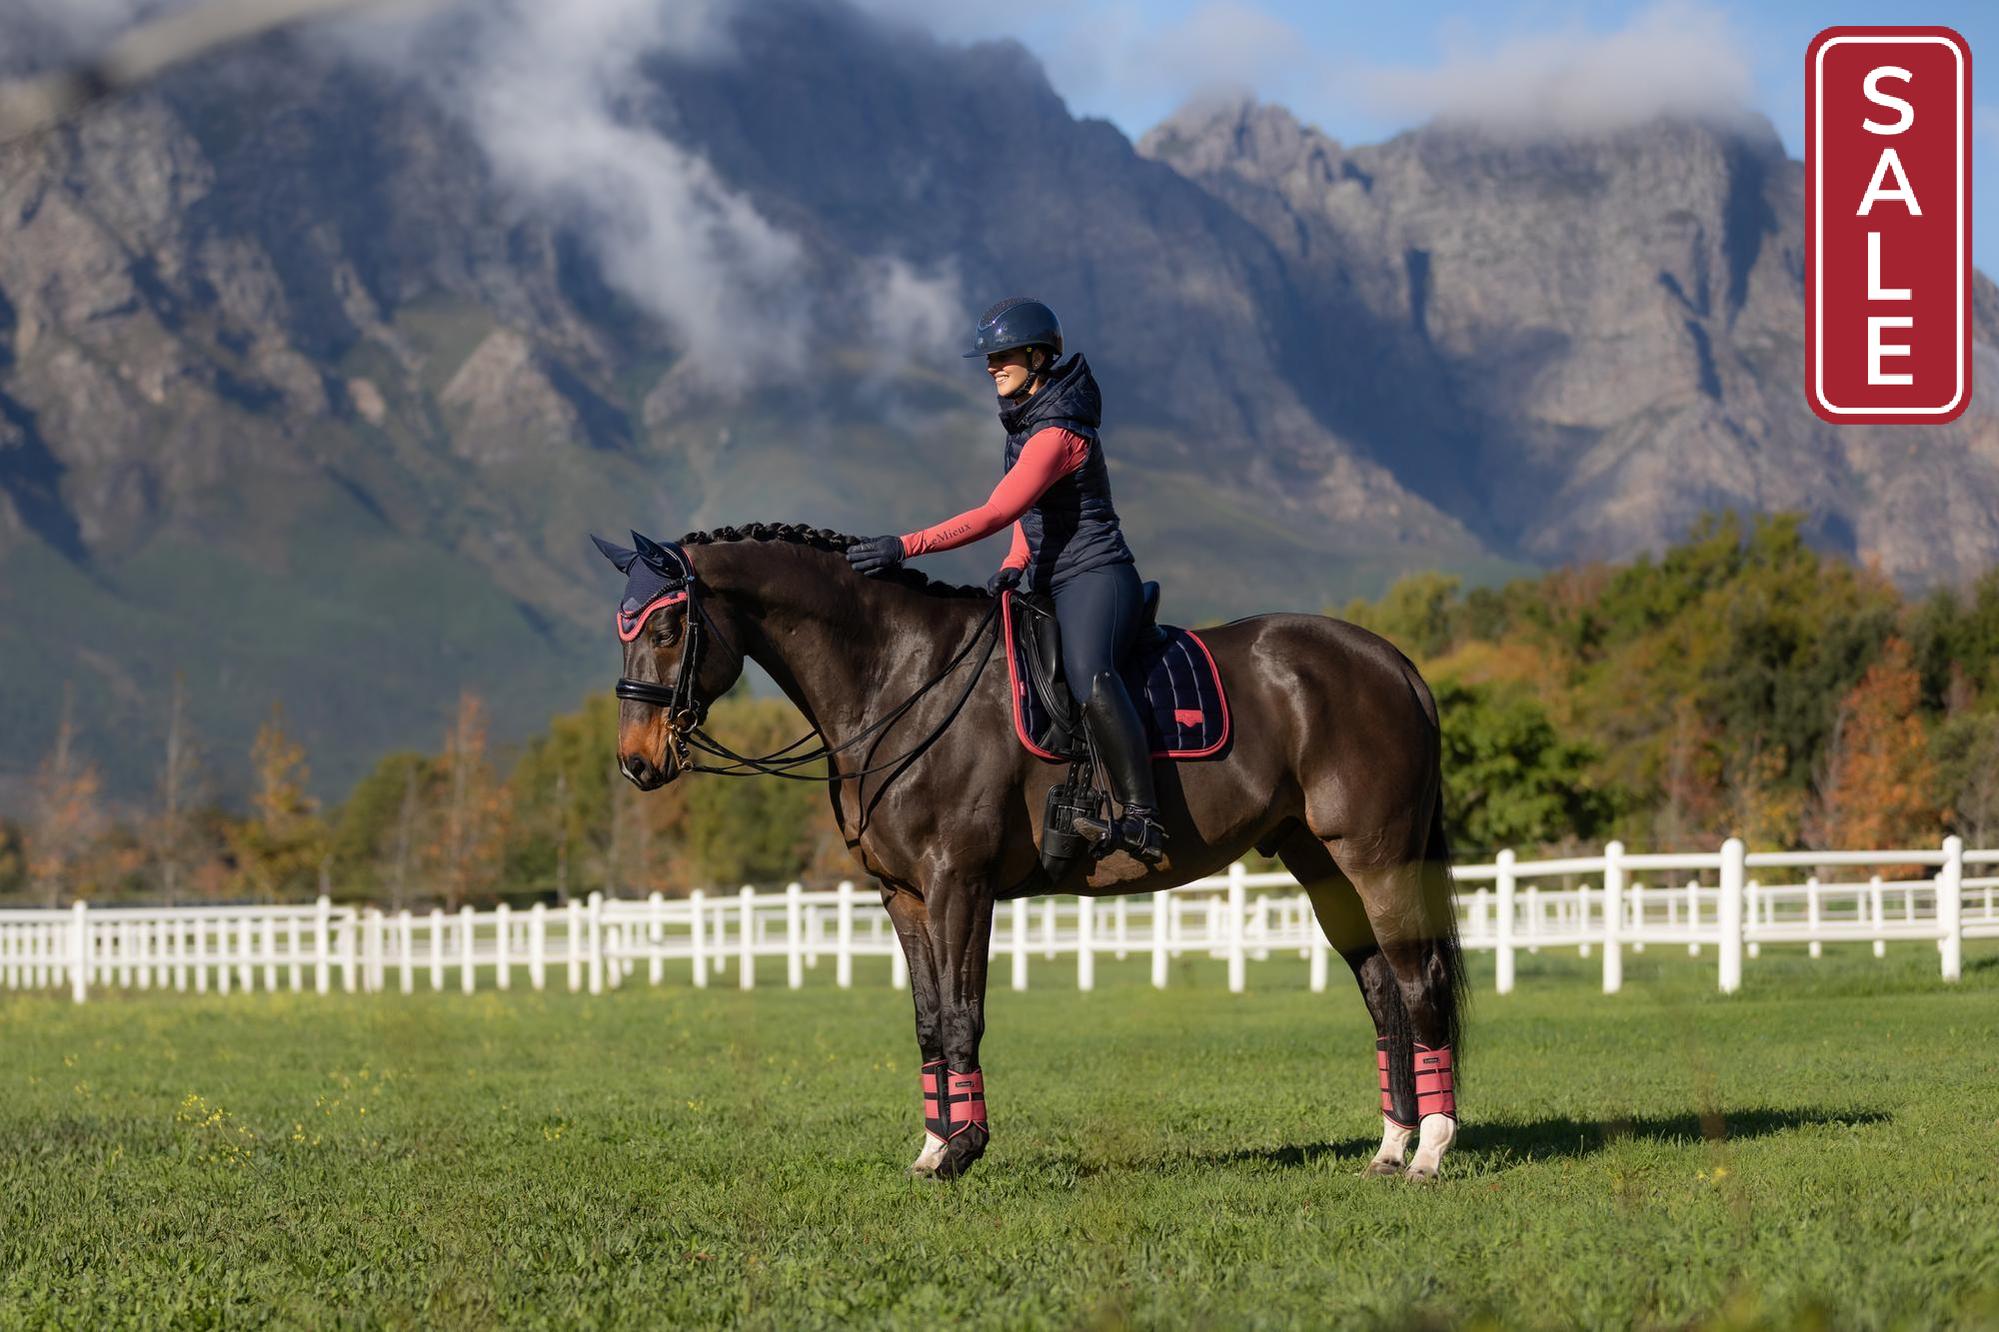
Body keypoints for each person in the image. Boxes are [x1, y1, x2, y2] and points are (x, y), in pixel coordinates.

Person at [845, 298, 1164, 863]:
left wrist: (905, 546)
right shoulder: (1025, 425)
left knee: (1091, 675)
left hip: (1095, 575)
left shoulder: (1056, 435)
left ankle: (1143, 814)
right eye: (989, 358)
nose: (992, 366)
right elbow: (1029, 515)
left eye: (1004, 355)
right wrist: (1016, 563)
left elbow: (996, 510)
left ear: (1039, 357)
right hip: (1044, 576)